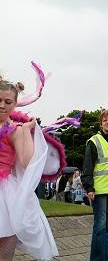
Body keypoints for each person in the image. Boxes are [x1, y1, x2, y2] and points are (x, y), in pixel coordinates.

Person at [0, 78, 58, 260]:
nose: (2, 105)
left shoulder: (15, 130)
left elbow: (26, 161)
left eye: (8, 102)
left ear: (15, 104)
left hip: (5, 194)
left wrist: (25, 131)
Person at [82, 109, 108, 261]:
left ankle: (105, 258)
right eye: (105, 120)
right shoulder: (94, 141)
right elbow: (87, 166)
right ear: (101, 124)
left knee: (107, 228)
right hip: (98, 191)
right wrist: (89, 187)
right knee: (99, 227)